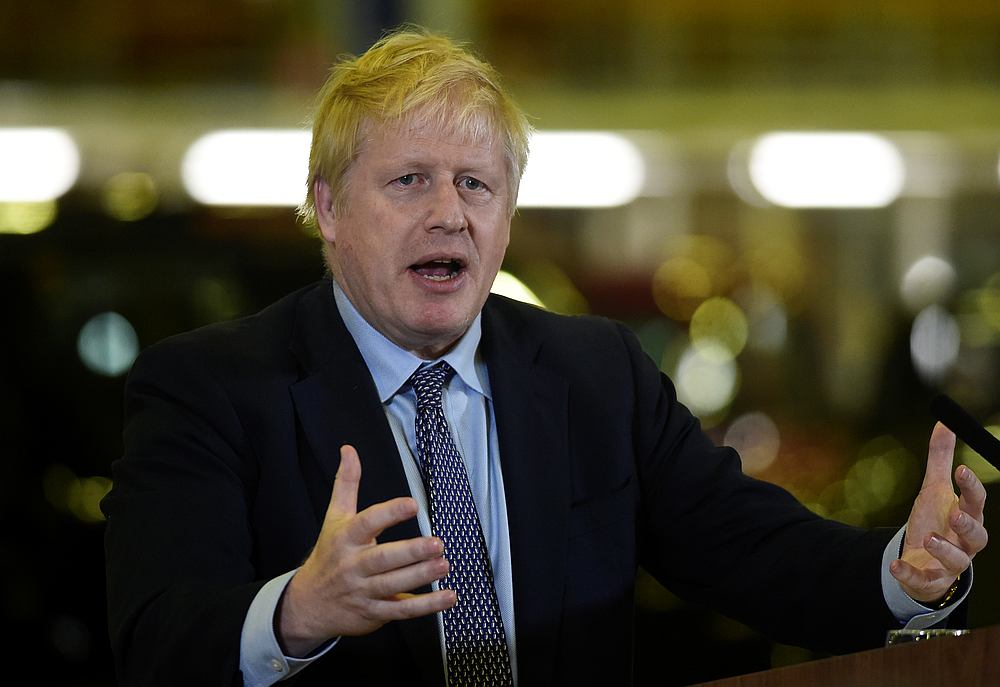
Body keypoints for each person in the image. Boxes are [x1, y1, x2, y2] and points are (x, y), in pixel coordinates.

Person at [102, 27, 988, 687]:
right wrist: (296, 613)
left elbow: (750, 549)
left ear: (508, 216)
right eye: (410, 179)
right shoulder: (212, 386)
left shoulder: (595, 371)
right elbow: (155, 639)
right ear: (328, 208)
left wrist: (899, 572)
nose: (450, 213)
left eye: (476, 184)